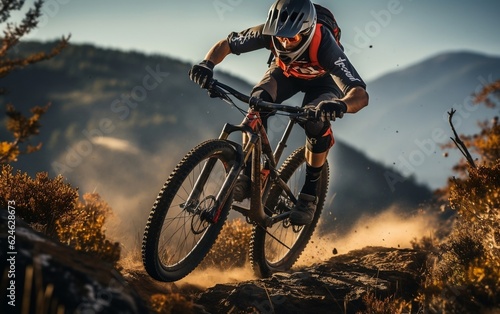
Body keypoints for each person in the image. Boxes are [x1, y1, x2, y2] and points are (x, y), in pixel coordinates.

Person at [189, 0, 369, 225]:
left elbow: (359, 94)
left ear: (308, 31)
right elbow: (226, 44)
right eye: (280, 35)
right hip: (285, 74)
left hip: (322, 83)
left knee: (315, 124)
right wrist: (207, 64)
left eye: (292, 37)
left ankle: (309, 195)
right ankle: (247, 174)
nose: (284, 42)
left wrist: (341, 105)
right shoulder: (268, 33)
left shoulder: (324, 45)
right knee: (257, 105)